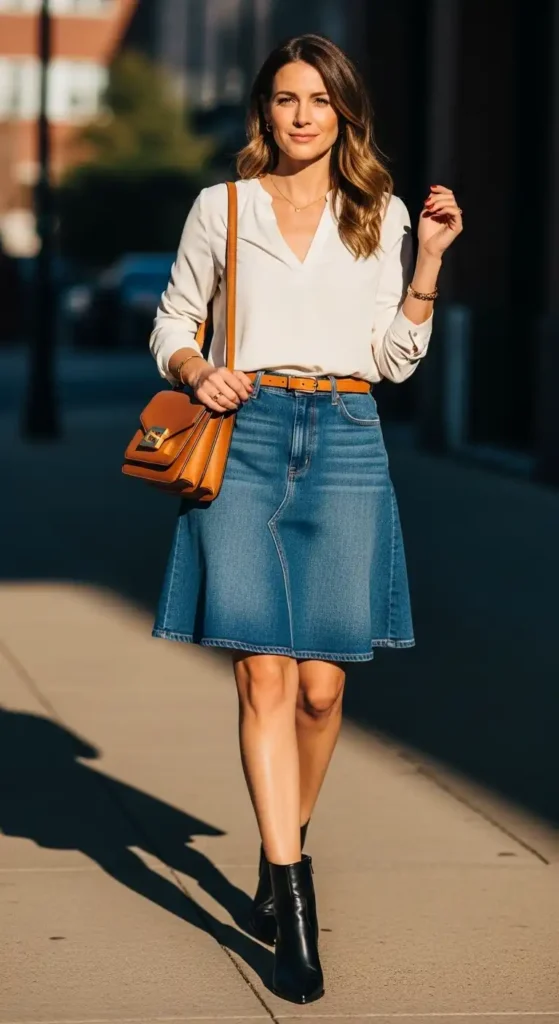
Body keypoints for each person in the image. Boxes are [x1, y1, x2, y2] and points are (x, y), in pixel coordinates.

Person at [149, 33, 463, 1005]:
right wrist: (197, 368)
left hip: (346, 437)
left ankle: (280, 838)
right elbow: (171, 321)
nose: (300, 115)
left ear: (342, 114)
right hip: (241, 439)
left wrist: (430, 264)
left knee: (323, 691)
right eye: (284, 98)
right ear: (264, 111)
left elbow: (396, 358)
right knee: (264, 679)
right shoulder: (222, 207)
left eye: (316, 100)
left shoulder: (380, 212)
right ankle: (292, 907)